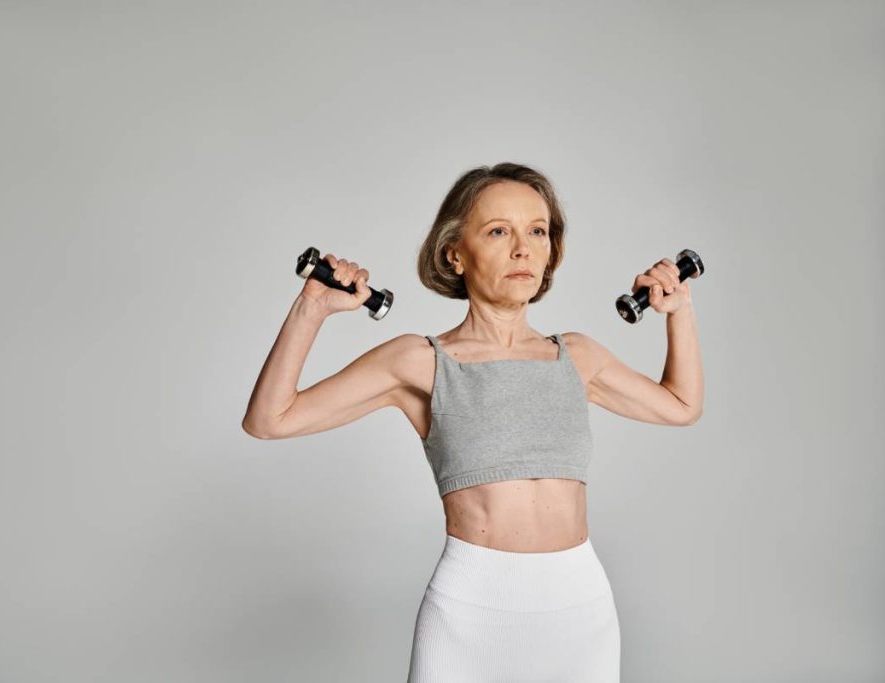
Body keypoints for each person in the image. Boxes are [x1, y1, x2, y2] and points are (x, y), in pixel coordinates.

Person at [242, 162, 704, 682]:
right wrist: (313, 307)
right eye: (498, 231)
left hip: (581, 610)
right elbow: (269, 419)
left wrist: (679, 310)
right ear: (454, 253)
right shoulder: (419, 360)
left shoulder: (579, 357)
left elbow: (682, 405)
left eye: (537, 231)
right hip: (470, 613)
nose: (522, 248)